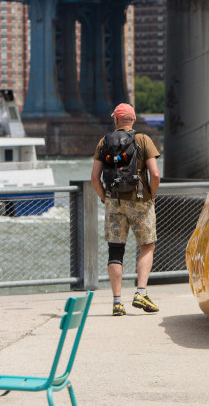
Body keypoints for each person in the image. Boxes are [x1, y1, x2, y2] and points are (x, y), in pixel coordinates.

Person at [91, 103, 161, 317]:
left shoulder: (104, 142)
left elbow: (94, 178)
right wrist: (152, 195)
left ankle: (117, 302)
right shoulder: (143, 140)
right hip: (140, 200)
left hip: (114, 201)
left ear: (116, 120)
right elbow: (155, 174)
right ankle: (140, 292)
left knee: (116, 250)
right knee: (147, 246)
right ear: (133, 119)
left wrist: (105, 198)